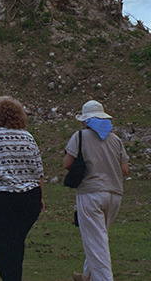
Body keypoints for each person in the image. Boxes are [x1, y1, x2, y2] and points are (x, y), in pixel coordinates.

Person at [0, 96, 44, 281]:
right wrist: (41, 198)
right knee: (17, 242)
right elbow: (38, 171)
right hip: (30, 197)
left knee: (1, 245)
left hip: (0, 197)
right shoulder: (27, 136)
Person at [64, 100, 129, 281]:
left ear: (86, 120)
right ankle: (87, 276)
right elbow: (125, 170)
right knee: (99, 237)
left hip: (90, 193)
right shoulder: (115, 140)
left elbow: (67, 163)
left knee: (95, 241)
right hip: (115, 194)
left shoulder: (80, 136)